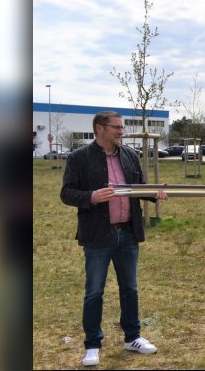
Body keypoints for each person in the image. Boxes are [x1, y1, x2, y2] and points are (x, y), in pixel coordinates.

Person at [59, 111, 167, 367]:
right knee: (94, 291)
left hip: (127, 233)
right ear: (100, 129)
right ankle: (93, 344)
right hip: (98, 235)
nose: (122, 131)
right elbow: (66, 193)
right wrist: (92, 197)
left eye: (122, 127)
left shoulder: (129, 154)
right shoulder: (79, 158)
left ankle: (133, 337)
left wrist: (155, 193)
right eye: (117, 127)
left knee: (130, 288)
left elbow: (138, 186)